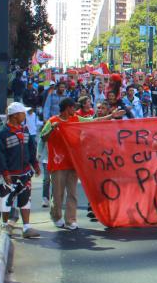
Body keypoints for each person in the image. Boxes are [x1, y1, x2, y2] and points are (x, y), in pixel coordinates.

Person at [39, 97, 125, 230]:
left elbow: (93, 121)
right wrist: (52, 129)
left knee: (72, 193)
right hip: (57, 164)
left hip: (73, 162)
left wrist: (112, 115)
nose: (75, 110)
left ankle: (70, 220)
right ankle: (56, 216)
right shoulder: (52, 121)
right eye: (73, 107)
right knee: (58, 194)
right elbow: (43, 137)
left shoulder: (76, 119)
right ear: (67, 108)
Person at [0, 102, 41, 238]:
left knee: (26, 199)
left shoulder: (25, 130)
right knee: (6, 199)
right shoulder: (2, 132)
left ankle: (26, 228)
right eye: (22, 113)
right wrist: (4, 172)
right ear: (14, 115)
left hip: (24, 172)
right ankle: (5, 224)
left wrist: (35, 165)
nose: (25, 115)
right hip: (9, 173)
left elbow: (31, 149)